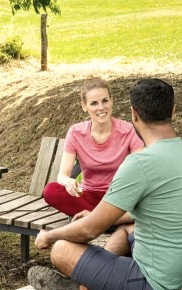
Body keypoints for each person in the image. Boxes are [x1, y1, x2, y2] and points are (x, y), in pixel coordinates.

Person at [28, 78, 182, 290]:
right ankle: (93, 278)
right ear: (173, 110)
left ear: (134, 114)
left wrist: (49, 236)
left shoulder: (140, 162)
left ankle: (90, 280)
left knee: (62, 250)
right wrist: (95, 214)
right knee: (126, 228)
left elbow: (89, 231)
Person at [42, 77, 144, 217]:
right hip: (88, 196)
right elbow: (62, 175)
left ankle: (93, 219)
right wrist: (69, 182)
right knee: (50, 190)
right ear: (84, 106)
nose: (101, 108)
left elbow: (142, 170)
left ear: (111, 100)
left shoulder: (127, 130)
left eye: (105, 101)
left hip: (118, 198)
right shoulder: (76, 132)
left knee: (144, 199)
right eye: (94, 103)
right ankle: (103, 221)